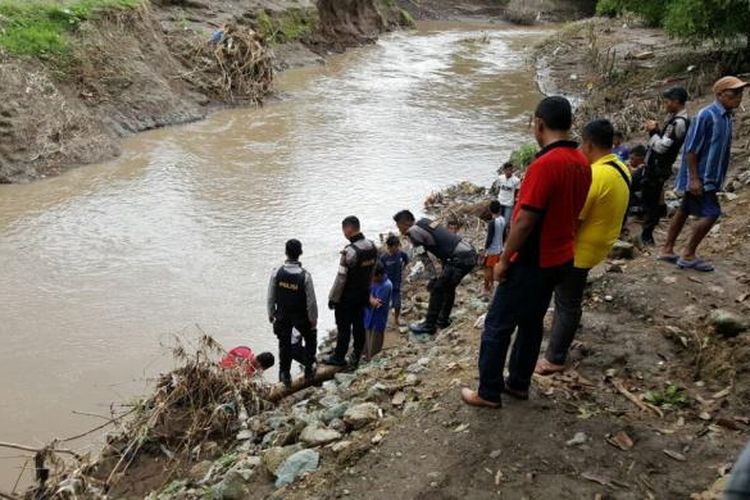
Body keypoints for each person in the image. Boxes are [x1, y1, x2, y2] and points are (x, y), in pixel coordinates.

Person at [460, 96, 591, 408]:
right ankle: (518, 383)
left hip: (532, 260)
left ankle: (488, 392)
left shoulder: (544, 165)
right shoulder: (582, 162)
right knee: (531, 322)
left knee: (497, 325)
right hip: (562, 257)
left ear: (539, 124)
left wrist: (505, 259)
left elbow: (525, 219)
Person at [535, 119, 631, 375]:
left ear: (587, 144)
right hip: (602, 244)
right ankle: (557, 340)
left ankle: (554, 357)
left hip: (580, 251)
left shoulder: (595, 175)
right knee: (569, 299)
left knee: (567, 302)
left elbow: (573, 220)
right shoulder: (621, 167)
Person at [660, 76, 747, 272]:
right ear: (719, 95)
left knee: (683, 210)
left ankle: (667, 248)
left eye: (740, 93)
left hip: (711, 176)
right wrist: (695, 179)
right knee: (712, 213)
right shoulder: (706, 116)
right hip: (701, 177)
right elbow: (691, 150)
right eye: (734, 94)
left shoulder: (727, 116)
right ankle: (688, 254)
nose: (738, 98)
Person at [393, 210, 477, 336]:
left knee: (438, 289)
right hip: (468, 252)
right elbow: (440, 244)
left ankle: (429, 326)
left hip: (459, 258)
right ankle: (442, 321)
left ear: (406, 223)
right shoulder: (425, 221)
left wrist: (433, 277)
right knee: (448, 287)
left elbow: (425, 258)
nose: (400, 232)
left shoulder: (413, 232)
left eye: (400, 227)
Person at [326, 216, 378, 369]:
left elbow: (341, 279)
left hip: (346, 298)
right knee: (359, 325)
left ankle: (339, 357)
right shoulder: (372, 247)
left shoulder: (349, 252)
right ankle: (356, 356)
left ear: (348, 229)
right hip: (363, 294)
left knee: (343, 328)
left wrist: (333, 298)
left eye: (343, 230)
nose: (344, 233)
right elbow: (372, 271)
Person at [640, 87, 690, 246]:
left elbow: (662, 148)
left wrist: (653, 132)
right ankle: (650, 227)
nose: (665, 105)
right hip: (657, 165)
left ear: (676, 102)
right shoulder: (675, 119)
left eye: (668, 102)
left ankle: (647, 235)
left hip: (659, 167)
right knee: (651, 196)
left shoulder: (679, 122)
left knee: (651, 200)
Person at [267, 239, 318, 388]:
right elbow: (311, 301)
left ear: (286, 252)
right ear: (300, 253)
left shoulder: (277, 272)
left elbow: (271, 296)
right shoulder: (305, 276)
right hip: (301, 317)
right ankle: (309, 369)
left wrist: (271, 313)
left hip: (282, 316)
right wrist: (313, 318)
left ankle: (285, 374)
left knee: (284, 344)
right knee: (310, 339)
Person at [362, 262, 393, 361]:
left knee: (374, 350)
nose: (372, 279)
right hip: (367, 317)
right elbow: (368, 295)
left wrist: (369, 298)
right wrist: (370, 298)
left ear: (379, 275)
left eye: (373, 277)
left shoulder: (386, 286)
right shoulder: (373, 281)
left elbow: (377, 304)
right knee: (366, 346)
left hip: (377, 321)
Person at [380, 234, 409, 326]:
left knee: (397, 304)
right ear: (389, 247)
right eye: (394, 247)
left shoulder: (401, 254)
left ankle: (396, 319)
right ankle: (383, 321)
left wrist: (403, 268)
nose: (396, 248)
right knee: (383, 305)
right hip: (385, 285)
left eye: (398, 246)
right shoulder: (384, 258)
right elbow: (378, 271)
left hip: (397, 284)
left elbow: (406, 260)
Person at [482, 200, 505, 296]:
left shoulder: (492, 223)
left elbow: (489, 238)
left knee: (488, 269)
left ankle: (487, 288)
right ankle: (493, 285)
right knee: (494, 268)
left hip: (492, 250)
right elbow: (504, 235)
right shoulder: (503, 220)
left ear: (490, 210)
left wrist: (485, 250)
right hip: (500, 249)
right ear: (500, 209)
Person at [494, 162, 521, 226]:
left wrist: (514, 202)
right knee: (498, 221)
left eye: (511, 170)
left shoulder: (516, 180)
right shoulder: (500, 178)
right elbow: (498, 189)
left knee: (505, 222)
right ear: (504, 170)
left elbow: (516, 192)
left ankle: (505, 234)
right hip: (500, 202)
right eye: (507, 170)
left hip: (509, 204)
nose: (509, 172)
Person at [628, 145, 647, 215]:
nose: (630, 161)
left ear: (640, 159)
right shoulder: (639, 169)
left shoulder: (642, 170)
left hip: (638, 201)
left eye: (632, 159)